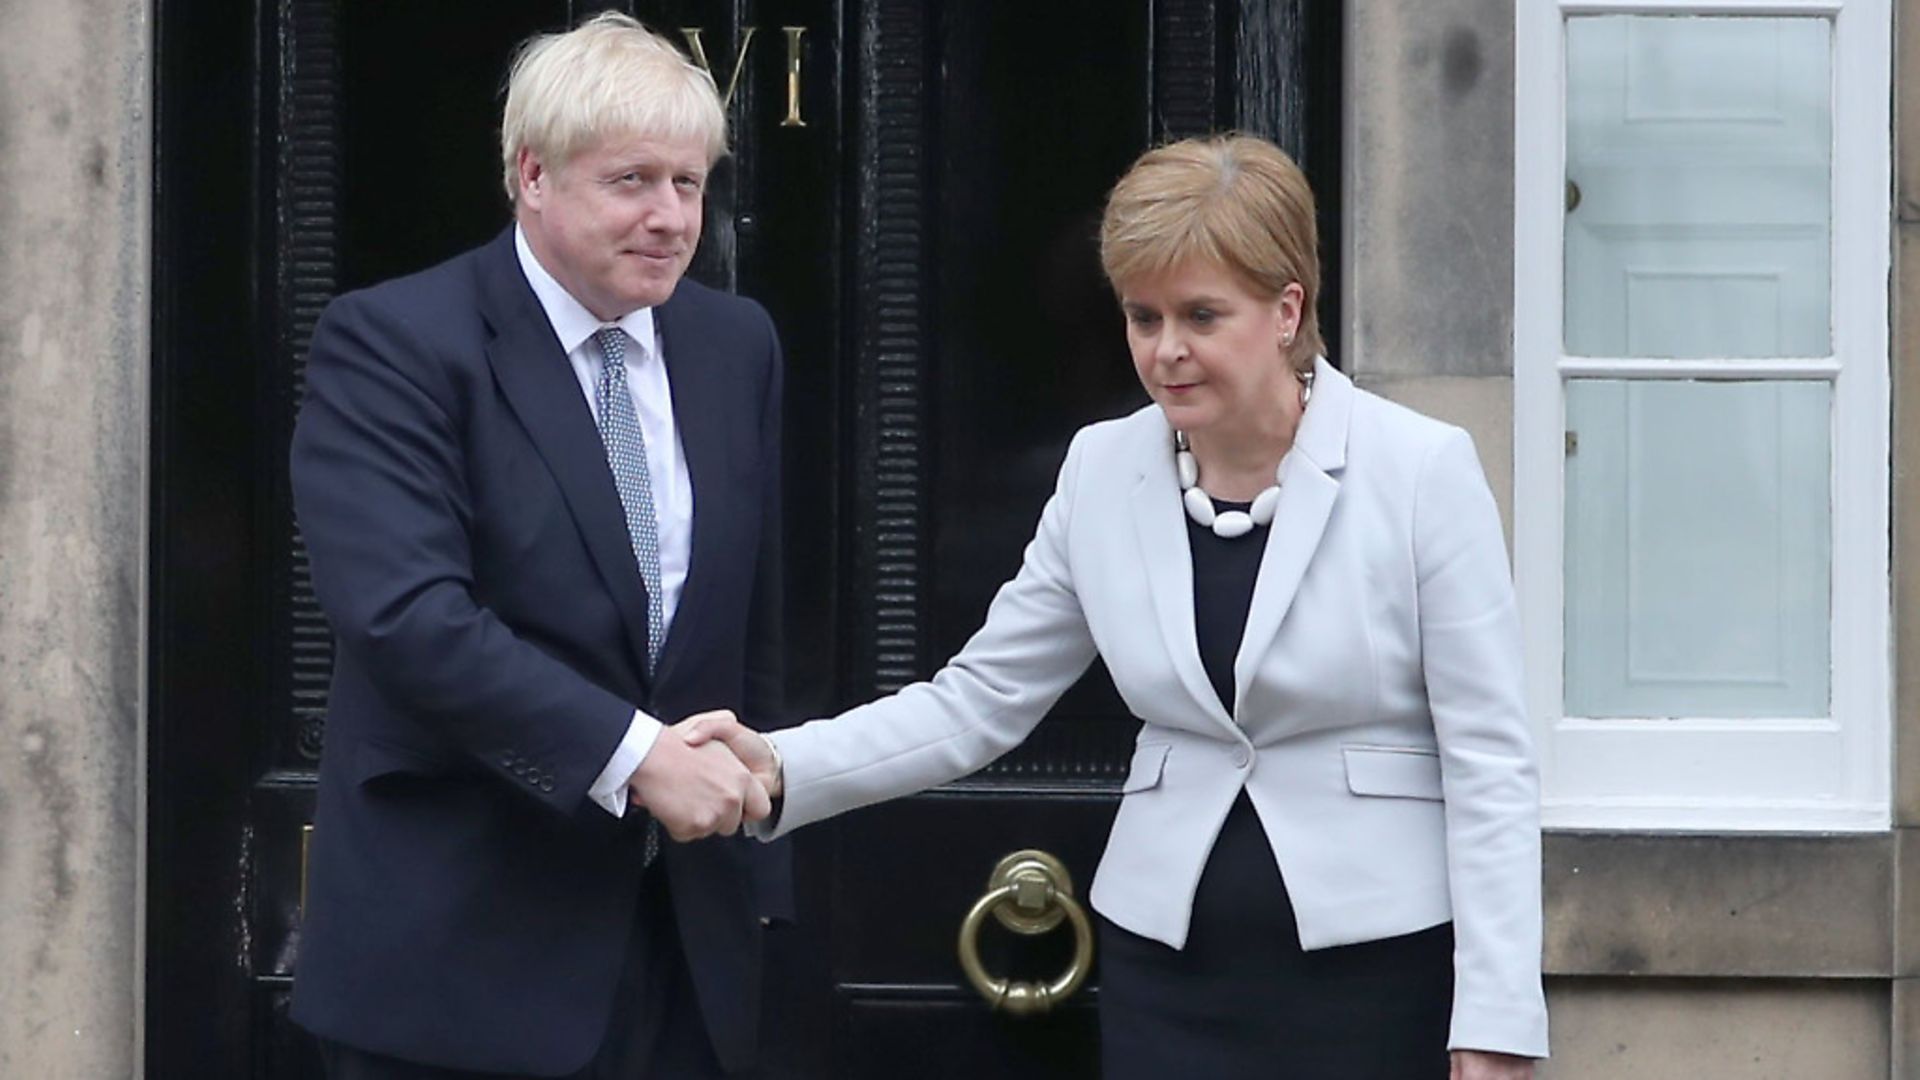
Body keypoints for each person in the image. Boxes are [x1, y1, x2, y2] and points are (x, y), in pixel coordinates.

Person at [691, 134, 1547, 1079]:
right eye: (1143, 317)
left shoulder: (1421, 469)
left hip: (1379, 977)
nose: (1165, 350)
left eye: (1201, 315)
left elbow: (1489, 758)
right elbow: (977, 702)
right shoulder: (1103, 469)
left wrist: (1498, 1017)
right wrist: (778, 767)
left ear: (1286, 311)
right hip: (1168, 974)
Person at [288, 13, 789, 1079]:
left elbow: (752, 629)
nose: (669, 218)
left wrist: (762, 872)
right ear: (533, 174)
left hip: (686, 954)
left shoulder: (734, 343)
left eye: (691, 185)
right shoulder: (398, 343)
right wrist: (638, 757)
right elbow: (407, 617)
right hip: (461, 961)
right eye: (633, 181)